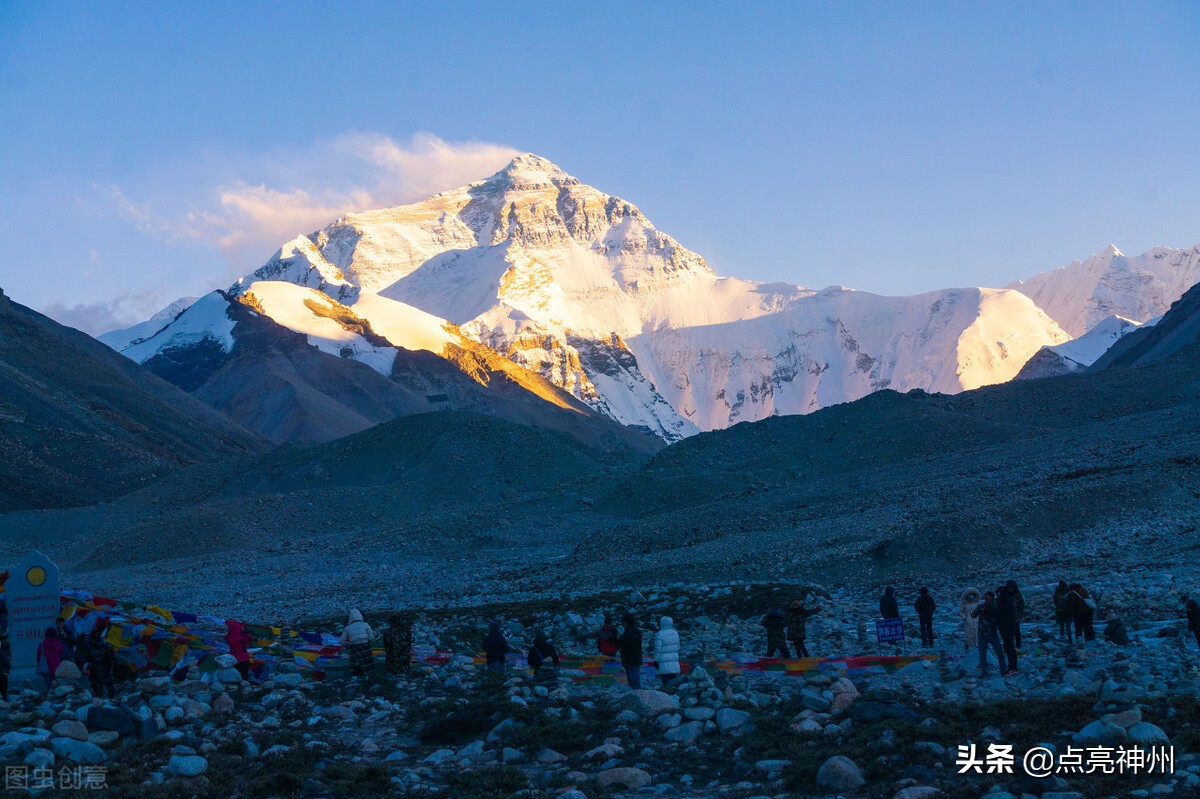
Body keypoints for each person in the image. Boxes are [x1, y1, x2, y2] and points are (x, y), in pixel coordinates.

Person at [971, 591, 1007, 677]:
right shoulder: (981, 606)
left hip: (992, 633)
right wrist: (978, 610)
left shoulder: (996, 606)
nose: (986, 598)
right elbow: (973, 615)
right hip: (982, 633)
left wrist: (985, 610)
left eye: (988, 596)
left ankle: (1003, 669)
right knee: (982, 653)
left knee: (999, 652)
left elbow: (995, 611)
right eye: (986, 596)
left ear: (992, 597)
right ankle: (984, 672)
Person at [340, 609, 376, 679]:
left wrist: (349, 643)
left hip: (355, 647)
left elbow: (341, 641)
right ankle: (369, 677)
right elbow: (372, 638)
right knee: (367, 663)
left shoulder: (347, 628)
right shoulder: (366, 625)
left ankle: (356, 677)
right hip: (365, 646)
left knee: (356, 662)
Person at [86, 627, 116, 699]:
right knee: (109, 684)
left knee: (97, 686)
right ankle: (112, 699)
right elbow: (112, 658)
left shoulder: (90, 647)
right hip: (106, 669)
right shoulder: (106, 646)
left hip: (95, 670)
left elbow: (88, 659)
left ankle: (99, 699)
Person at [996, 584, 1019, 675]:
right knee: (1009, 647)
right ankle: (1012, 666)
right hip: (1006, 627)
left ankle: (1013, 667)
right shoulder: (1006, 600)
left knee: (1010, 647)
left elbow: (1001, 612)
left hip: (1007, 627)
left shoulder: (1006, 601)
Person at [653, 616, 681, 689]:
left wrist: (655, 660)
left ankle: (667, 696)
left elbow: (657, 649)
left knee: (665, 682)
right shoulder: (675, 633)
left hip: (663, 661)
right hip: (673, 660)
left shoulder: (659, 634)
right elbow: (678, 647)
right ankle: (675, 696)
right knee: (673, 682)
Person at [618, 613, 643, 689]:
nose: (623, 624)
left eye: (624, 622)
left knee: (634, 680)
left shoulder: (634, 632)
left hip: (633, 659)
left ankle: (638, 695)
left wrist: (621, 639)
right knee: (631, 680)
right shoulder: (627, 631)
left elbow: (633, 644)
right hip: (628, 659)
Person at [1005, 580, 1026, 651]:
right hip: (1006, 618)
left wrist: (1019, 616)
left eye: (1012, 588)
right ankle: (1007, 647)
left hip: (1015, 617)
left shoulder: (1017, 595)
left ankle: (1018, 647)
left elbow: (1021, 606)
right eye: (1009, 588)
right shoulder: (1005, 595)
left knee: (1017, 632)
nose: (1010, 589)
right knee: (1007, 633)